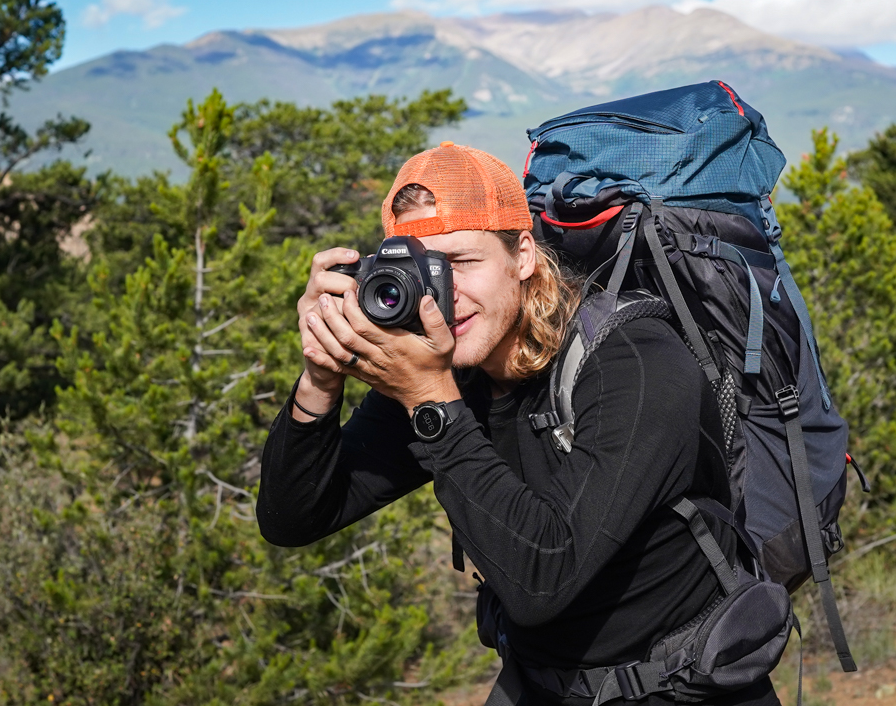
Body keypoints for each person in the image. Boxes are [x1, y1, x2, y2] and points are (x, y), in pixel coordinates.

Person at [257, 141, 782, 706]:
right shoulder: (441, 368)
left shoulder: (635, 361)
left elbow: (543, 579)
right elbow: (294, 517)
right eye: (420, 270)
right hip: (542, 683)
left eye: (460, 263)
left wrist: (431, 400)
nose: (442, 297)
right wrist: (321, 377)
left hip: (682, 686)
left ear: (524, 255)